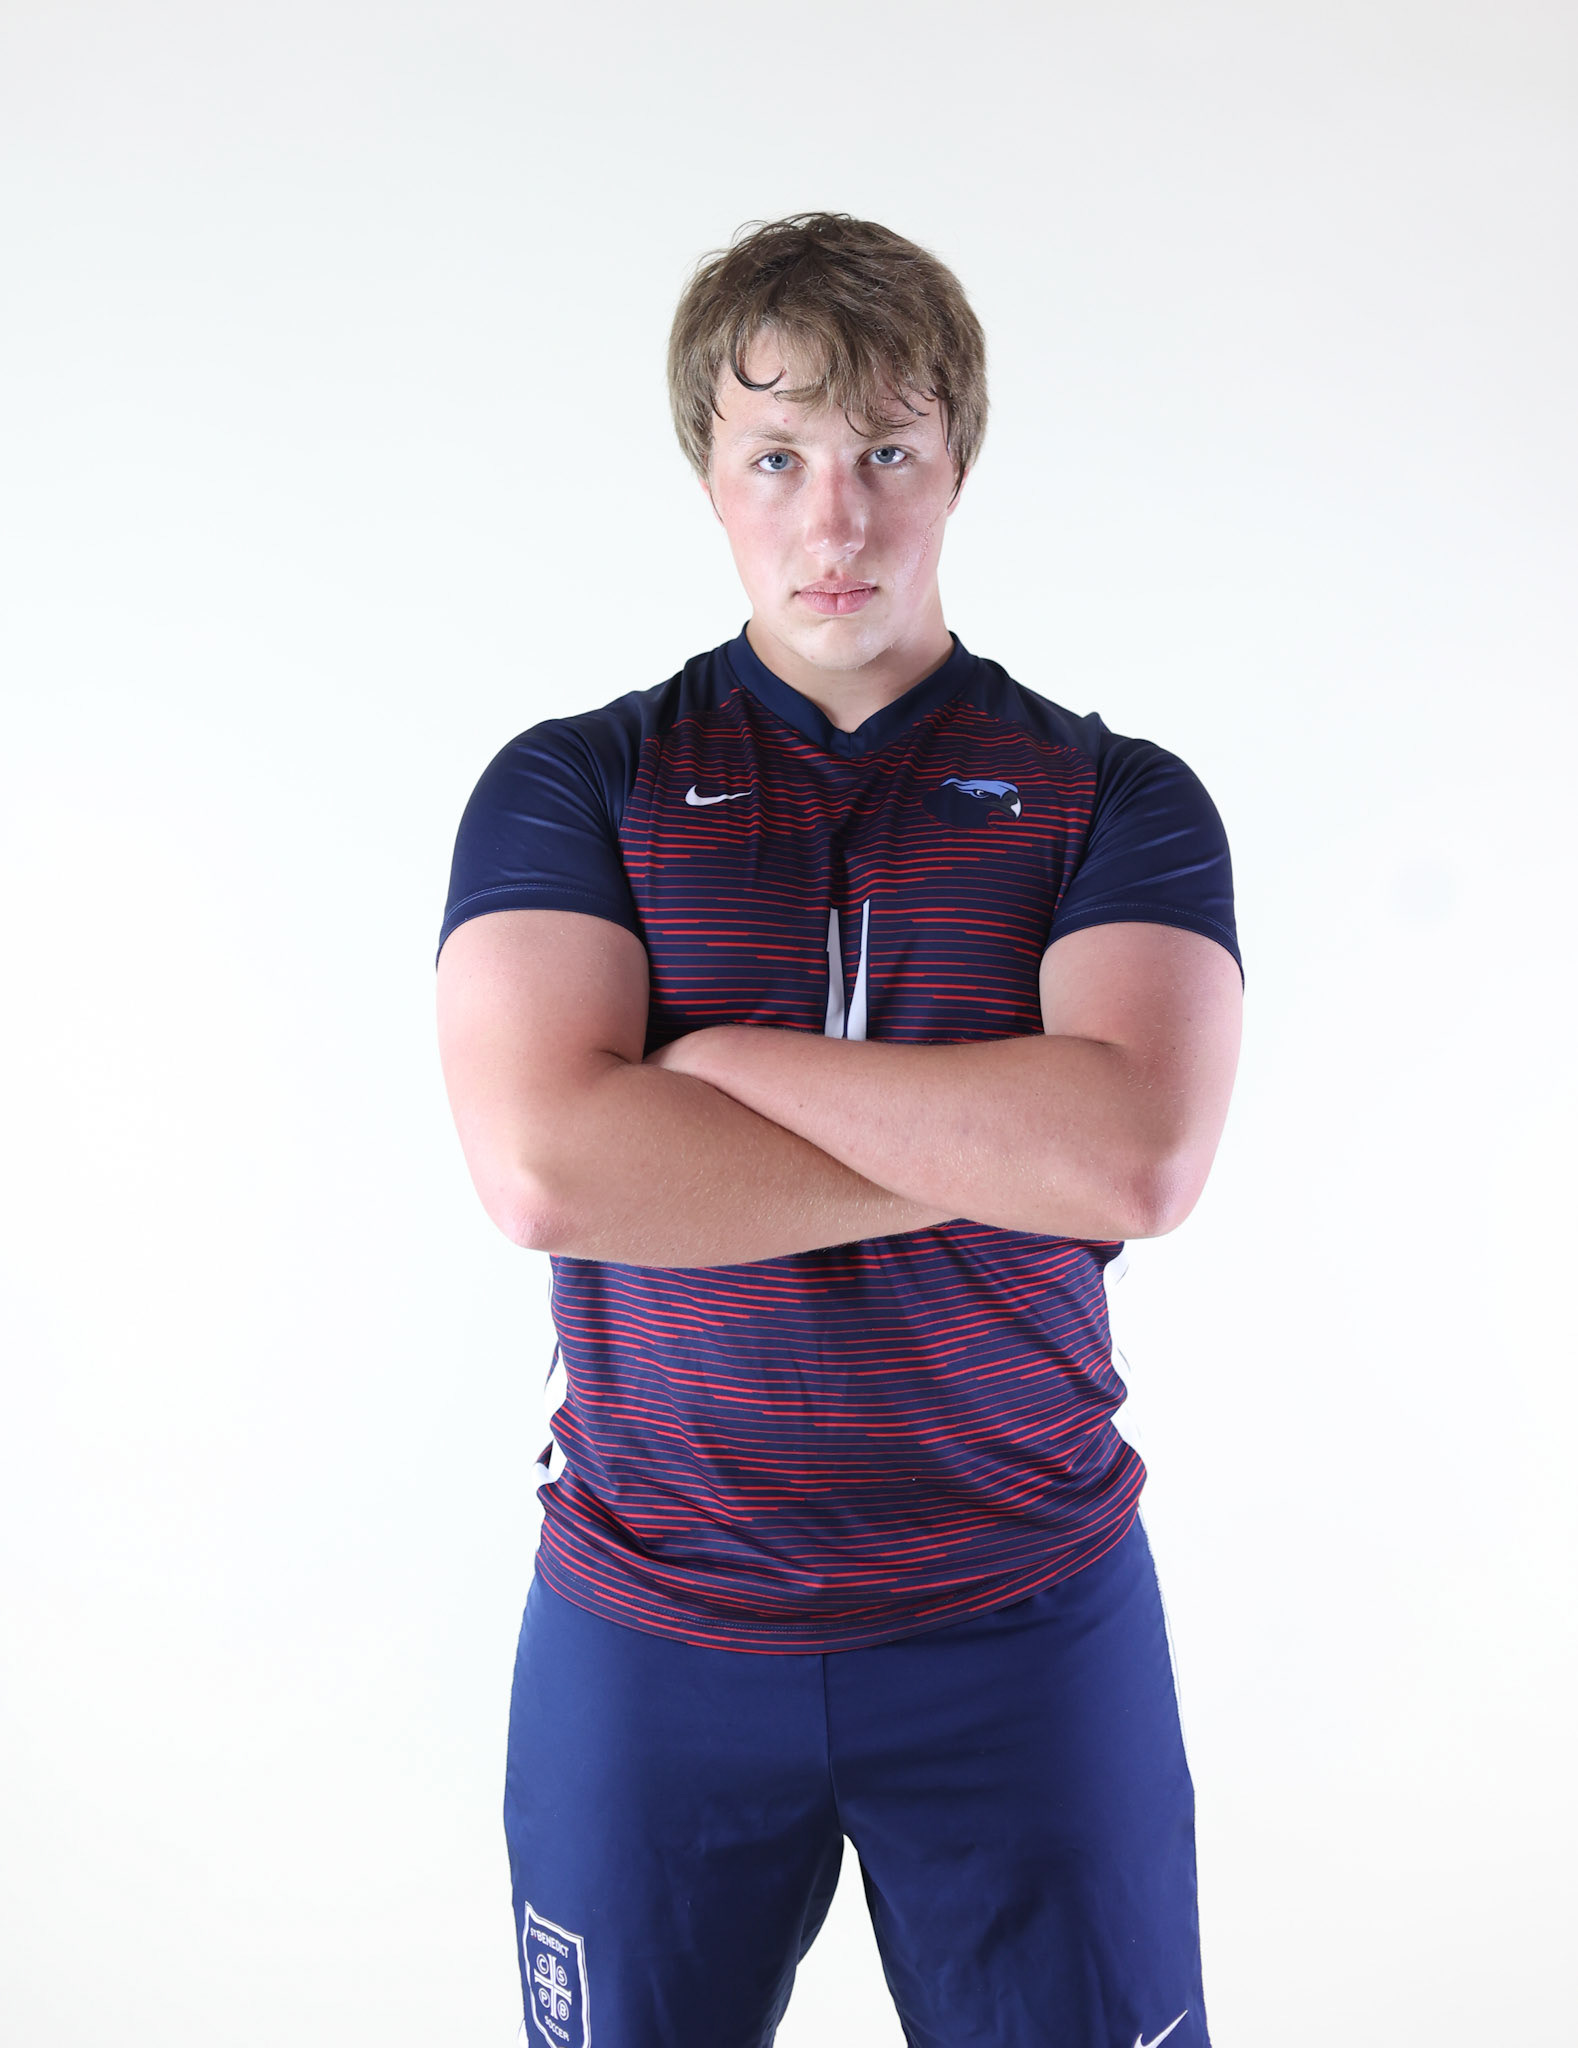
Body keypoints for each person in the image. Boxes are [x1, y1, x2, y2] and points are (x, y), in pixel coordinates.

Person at [434, 211, 1242, 2048]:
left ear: (955, 462)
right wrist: (987, 1140)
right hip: (652, 1628)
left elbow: (1130, 1161)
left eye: (886, 451)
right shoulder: (576, 785)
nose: (836, 517)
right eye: (776, 456)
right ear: (708, 479)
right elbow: (550, 1166)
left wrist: (711, 1057)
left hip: (1025, 1618)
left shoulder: (1113, 797)